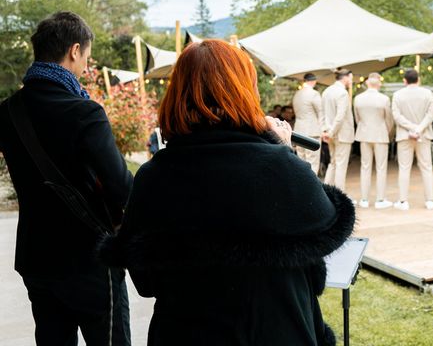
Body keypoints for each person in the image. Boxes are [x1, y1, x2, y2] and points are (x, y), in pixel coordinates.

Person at [99, 40, 355, 346]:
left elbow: (146, 282)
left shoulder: (153, 178)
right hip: (277, 331)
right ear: (245, 90)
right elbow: (316, 260)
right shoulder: (280, 168)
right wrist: (283, 152)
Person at [0, 12, 132, 345]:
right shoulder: (85, 112)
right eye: (86, 58)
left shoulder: (8, 112)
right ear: (74, 50)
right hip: (90, 261)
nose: (86, 68)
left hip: (36, 260)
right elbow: (122, 188)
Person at [391, 69, 433, 210]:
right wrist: (419, 128)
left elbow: (396, 116)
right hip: (423, 135)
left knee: (404, 168)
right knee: (427, 167)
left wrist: (412, 128)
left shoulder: (397, 95)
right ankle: (430, 201)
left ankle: (403, 202)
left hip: (405, 135)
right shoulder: (427, 93)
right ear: (418, 79)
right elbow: (431, 114)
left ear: (405, 80)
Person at [353, 73, 394, 209]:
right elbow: (389, 119)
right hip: (380, 134)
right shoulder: (384, 99)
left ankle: (364, 199)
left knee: (365, 167)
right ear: (379, 84)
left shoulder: (358, 98)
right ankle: (380, 200)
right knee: (381, 168)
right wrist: (387, 131)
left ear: (367, 83)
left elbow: (357, 118)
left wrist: (364, 128)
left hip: (364, 134)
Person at [322, 69, 355, 192]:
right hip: (341, 135)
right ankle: (340, 197)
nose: (351, 81)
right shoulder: (342, 93)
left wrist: (324, 131)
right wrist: (330, 133)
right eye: (350, 78)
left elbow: (322, 113)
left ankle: (325, 192)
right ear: (345, 77)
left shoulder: (326, 91)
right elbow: (340, 117)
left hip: (330, 133)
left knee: (333, 163)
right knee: (341, 166)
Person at [292, 73, 324, 174]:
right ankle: (313, 187)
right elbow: (321, 112)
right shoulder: (314, 93)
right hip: (312, 131)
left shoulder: (297, 94)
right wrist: (323, 129)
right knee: (312, 162)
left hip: (298, 131)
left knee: (301, 161)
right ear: (313, 81)